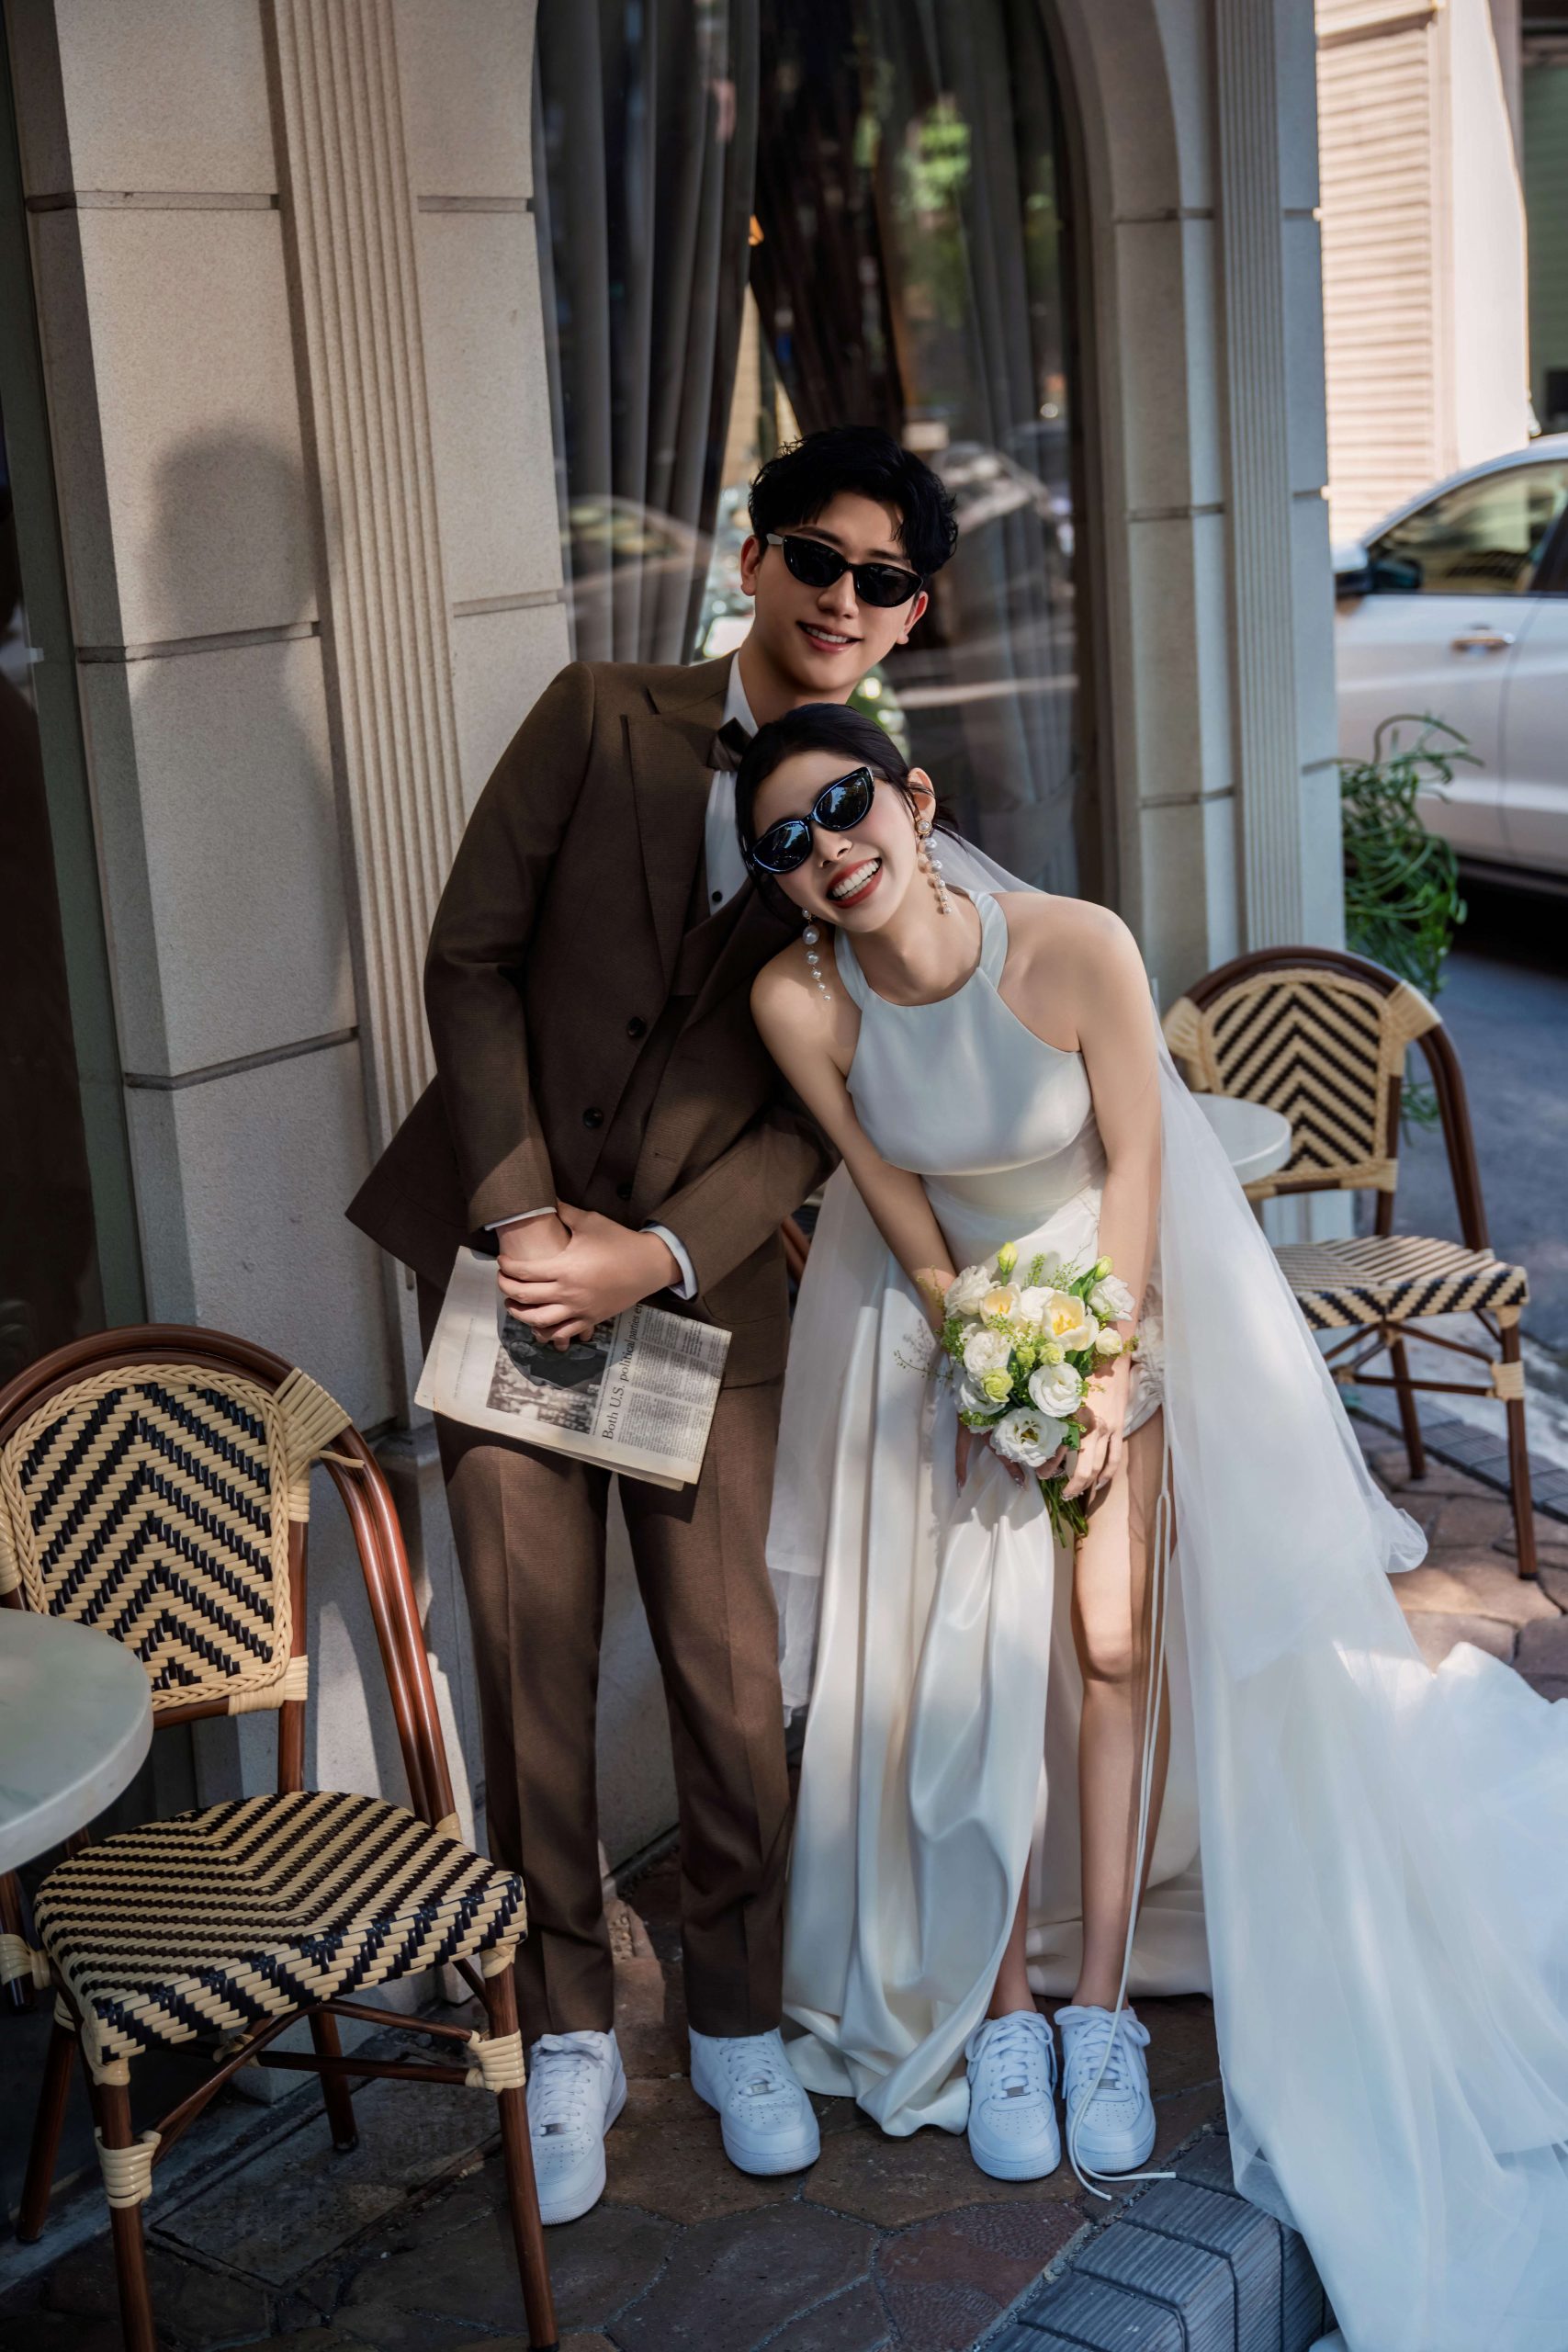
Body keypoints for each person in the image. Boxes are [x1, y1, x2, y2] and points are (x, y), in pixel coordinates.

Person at [736, 699, 1568, 2352]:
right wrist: (980, 1353)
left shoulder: (1073, 947)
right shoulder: (799, 1001)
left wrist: (1099, 1367)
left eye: (845, 807)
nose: (828, 850)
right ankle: (1001, 2009)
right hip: (946, 1331)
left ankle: (1100, 2002)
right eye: (786, 843)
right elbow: (888, 1194)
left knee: (1109, 1641)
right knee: (960, 1663)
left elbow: (1136, 1166)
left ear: (913, 798)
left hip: (1116, 1307)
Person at [346, 428, 957, 2225]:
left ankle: (736, 2014)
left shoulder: (875, 813)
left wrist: (662, 1254)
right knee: (526, 1658)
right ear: (753, 561)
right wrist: (524, 1213)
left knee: (729, 1677)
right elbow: (468, 957)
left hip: (706, 1299)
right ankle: (564, 2029)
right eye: (815, 557)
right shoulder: (600, 715)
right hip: (512, 1267)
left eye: (880, 580)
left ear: (908, 617)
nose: (840, 597)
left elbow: (839, 1102)